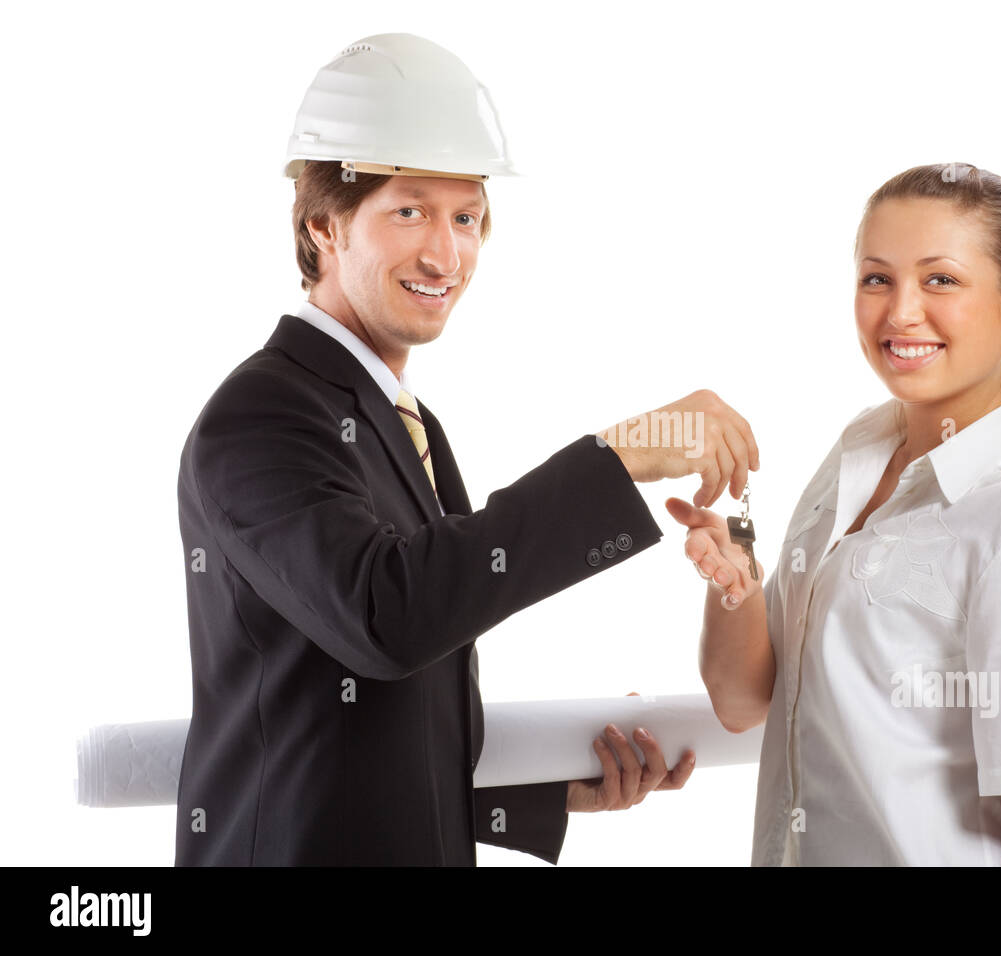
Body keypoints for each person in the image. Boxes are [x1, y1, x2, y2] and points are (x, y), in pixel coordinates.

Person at [174, 33, 758, 866]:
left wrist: (551, 785)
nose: (446, 254)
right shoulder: (261, 416)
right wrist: (620, 457)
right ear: (323, 227)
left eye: (467, 218)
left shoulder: (403, 420)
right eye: (408, 210)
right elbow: (387, 618)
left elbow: (377, 705)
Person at [667, 163, 1001, 866]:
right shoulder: (857, 451)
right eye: (878, 278)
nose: (902, 312)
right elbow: (745, 703)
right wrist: (737, 590)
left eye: (940, 279)